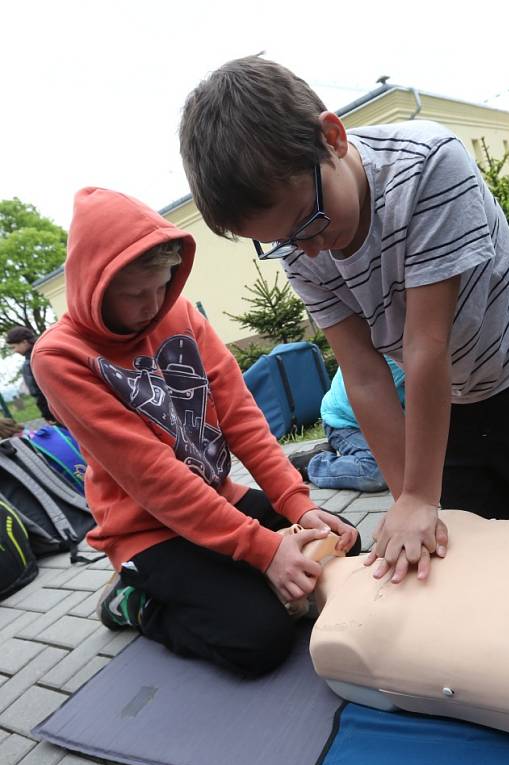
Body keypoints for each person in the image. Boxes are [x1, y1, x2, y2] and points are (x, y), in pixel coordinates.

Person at [178, 56, 509, 587]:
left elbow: (425, 343)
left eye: (309, 223)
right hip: (447, 399)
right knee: (471, 537)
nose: (309, 250)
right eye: (284, 243)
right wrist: (405, 498)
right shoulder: (299, 242)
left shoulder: (428, 164)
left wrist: (418, 495)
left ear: (333, 138)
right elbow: (363, 373)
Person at [31, 187, 359, 677]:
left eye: (163, 285)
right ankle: (134, 601)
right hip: (146, 530)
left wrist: (298, 505)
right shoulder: (60, 357)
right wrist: (263, 550)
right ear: (93, 286)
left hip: (213, 500)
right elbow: (152, 476)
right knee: (259, 640)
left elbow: (242, 418)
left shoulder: (179, 313)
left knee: (345, 546)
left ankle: (241, 564)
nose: (153, 304)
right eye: (135, 294)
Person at [290, 358, 405, 492]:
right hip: (344, 423)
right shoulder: (394, 352)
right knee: (377, 473)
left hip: (382, 421)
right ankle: (312, 463)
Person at [5, 326, 56, 422]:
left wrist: (48, 416)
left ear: (24, 342)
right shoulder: (49, 350)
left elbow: (38, 392)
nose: (14, 351)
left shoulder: (30, 363)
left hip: (54, 412)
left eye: (14, 347)